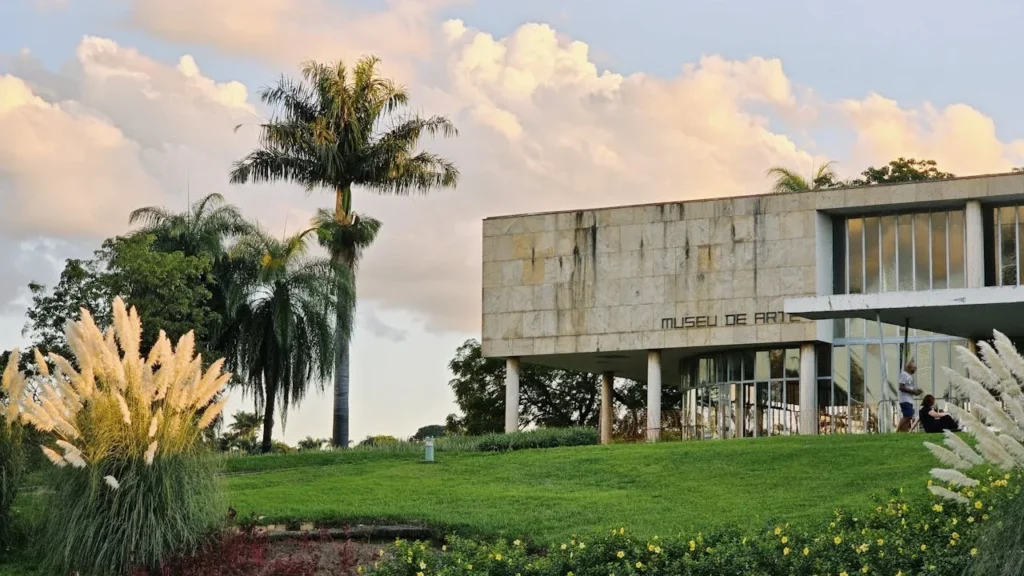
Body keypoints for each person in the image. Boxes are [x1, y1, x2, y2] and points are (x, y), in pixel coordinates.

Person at [897, 359, 923, 432]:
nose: (915, 369)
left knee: (908, 417)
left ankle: (904, 432)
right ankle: (897, 430)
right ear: (909, 368)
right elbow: (901, 387)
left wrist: (916, 391)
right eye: (914, 368)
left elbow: (908, 388)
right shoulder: (904, 374)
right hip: (905, 399)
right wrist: (913, 391)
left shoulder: (910, 376)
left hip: (909, 400)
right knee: (908, 416)